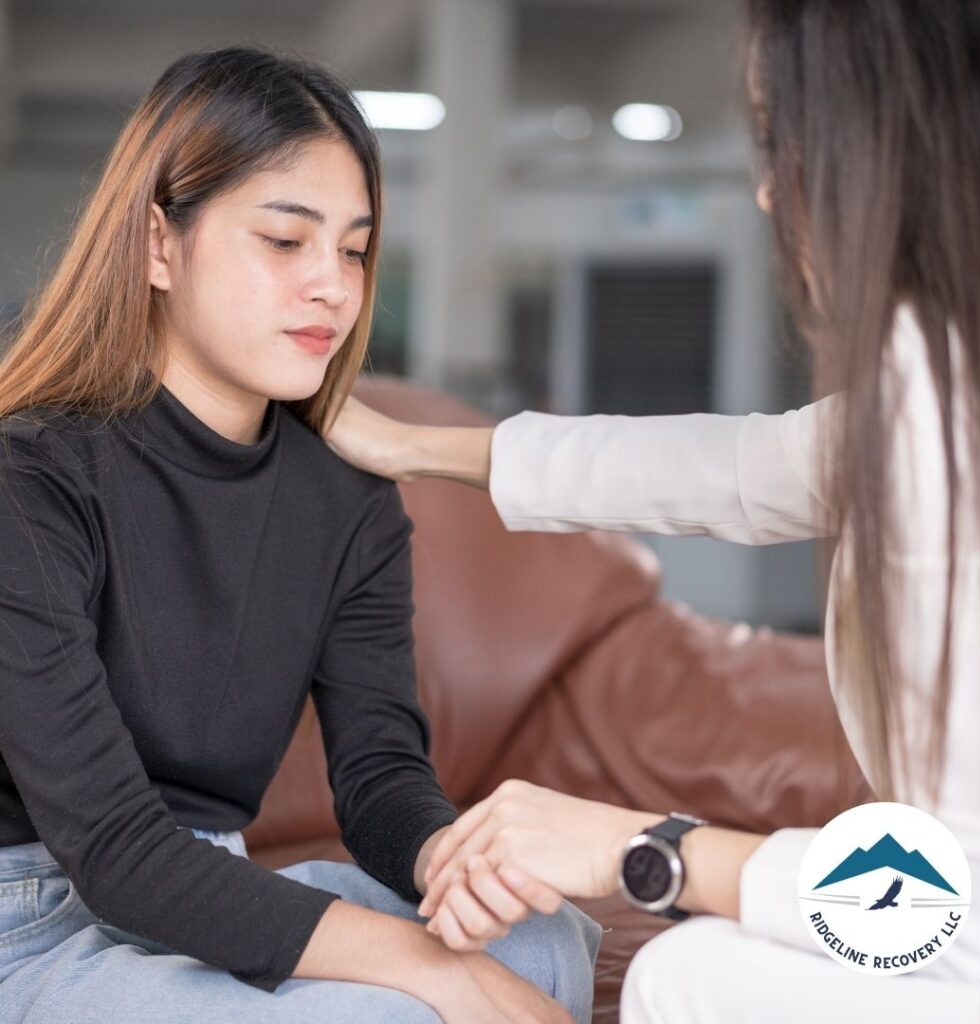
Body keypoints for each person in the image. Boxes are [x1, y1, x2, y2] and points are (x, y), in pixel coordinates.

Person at [324, 1, 980, 1020]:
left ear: (880, 148)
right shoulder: (973, 370)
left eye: (782, 140)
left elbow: (975, 915)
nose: (768, 187)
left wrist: (642, 849)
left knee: (684, 974)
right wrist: (407, 447)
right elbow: (727, 469)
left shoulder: (946, 406)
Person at [0, 47, 600, 1024]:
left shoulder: (348, 495)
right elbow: (113, 851)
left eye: (355, 248)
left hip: (211, 887)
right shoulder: (29, 475)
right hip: (32, 917)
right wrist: (426, 966)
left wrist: (449, 863)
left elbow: (377, 774)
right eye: (286, 240)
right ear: (159, 244)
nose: (333, 284)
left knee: (542, 941)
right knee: (403, 1009)